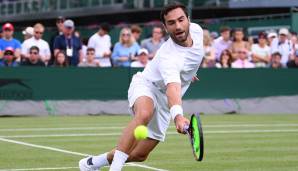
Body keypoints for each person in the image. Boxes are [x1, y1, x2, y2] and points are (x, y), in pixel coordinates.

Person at [79, 2, 203, 171]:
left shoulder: (197, 31)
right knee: (144, 113)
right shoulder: (169, 58)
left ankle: (92, 163)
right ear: (165, 28)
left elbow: (191, 58)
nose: (178, 26)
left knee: (140, 155)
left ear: (188, 20)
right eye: (171, 23)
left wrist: (188, 73)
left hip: (164, 104)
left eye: (181, 20)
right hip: (146, 86)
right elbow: (173, 89)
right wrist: (178, 117)